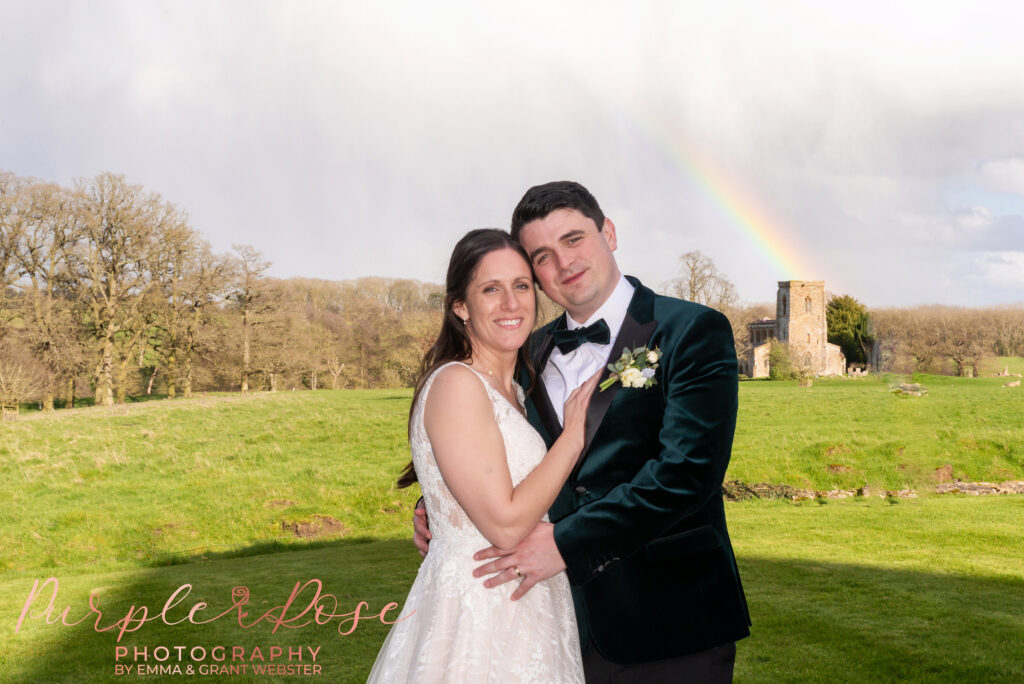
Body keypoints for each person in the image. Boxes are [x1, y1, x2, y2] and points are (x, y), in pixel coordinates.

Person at [415, 182, 751, 682]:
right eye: (543, 256)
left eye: (574, 239)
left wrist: (566, 543)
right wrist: (441, 506)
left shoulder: (691, 330)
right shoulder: (527, 351)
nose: (564, 263)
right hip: (555, 623)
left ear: (608, 233)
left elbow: (688, 472)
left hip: (670, 618)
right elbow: (491, 445)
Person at [368, 228, 600, 683]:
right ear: (460, 306)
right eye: (490, 289)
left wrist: (438, 509)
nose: (511, 304)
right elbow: (506, 523)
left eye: (520, 286)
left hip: (530, 605)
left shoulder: (515, 388)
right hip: (481, 611)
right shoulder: (457, 383)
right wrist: (573, 437)